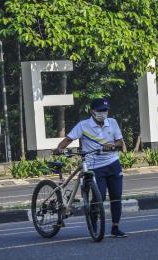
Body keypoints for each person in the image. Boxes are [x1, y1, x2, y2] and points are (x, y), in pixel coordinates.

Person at [54, 98, 127, 238]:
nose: (103, 113)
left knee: (116, 197)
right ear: (92, 112)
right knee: (99, 196)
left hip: (113, 163)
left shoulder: (112, 122)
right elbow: (69, 139)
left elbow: (119, 142)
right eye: (100, 110)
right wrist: (59, 149)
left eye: (105, 110)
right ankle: (93, 223)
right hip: (94, 166)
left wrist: (111, 146)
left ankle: (115, 227)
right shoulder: (83, 125)